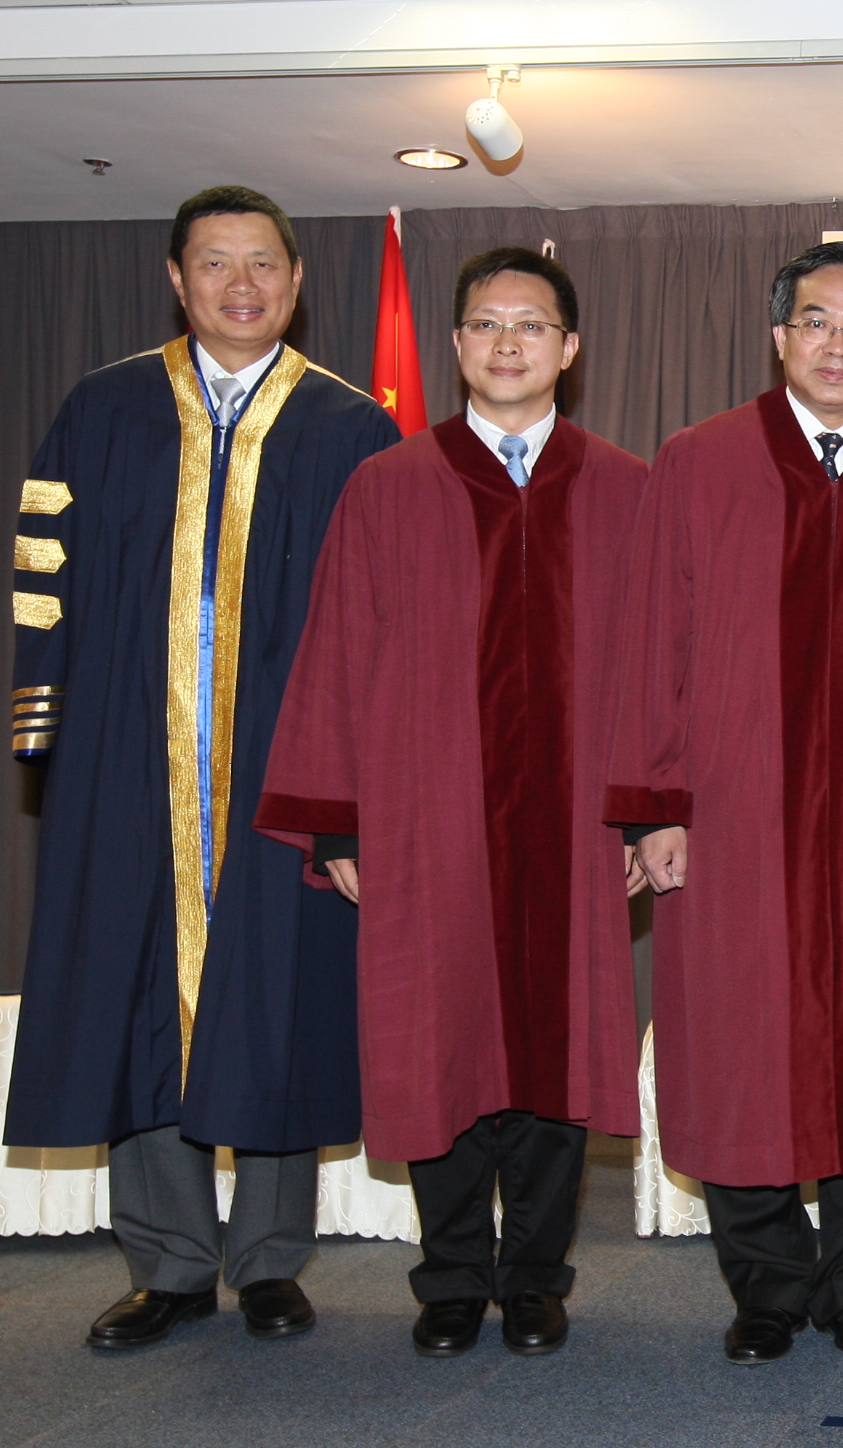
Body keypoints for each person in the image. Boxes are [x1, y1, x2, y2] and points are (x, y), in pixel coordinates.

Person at [5, 185, 399, 1350]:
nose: (241, 285)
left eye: (262, 265)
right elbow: (44, 569)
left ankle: (270, 1258)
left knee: (276, 997)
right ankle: (167, 1260)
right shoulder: (106, 407)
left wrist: (360, 786)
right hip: (126, 761)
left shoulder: (349, 429)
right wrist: (50, 728)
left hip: (287, 772)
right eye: (215, 264)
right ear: (177, 278)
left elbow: (383, 623)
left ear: (296, 280)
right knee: (133, 992)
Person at [257, 246, 647, 1358]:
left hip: (575, 822)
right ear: (458, 344)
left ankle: (533, 1276)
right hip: (428, 820)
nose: (509, 342)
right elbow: (335, 652)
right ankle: (449, 1277)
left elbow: (662, 666)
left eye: (533, 324)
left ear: (570, 349)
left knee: (553, 1051)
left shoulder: (623, 489)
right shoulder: (390, 485)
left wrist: (644, 807)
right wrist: (337, 820)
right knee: (444, 1042)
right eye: (486, 323)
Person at [609, 241, 843, 1365]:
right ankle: (764, 1286)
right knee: (738, 1039)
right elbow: (651, 640)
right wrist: (655, 805)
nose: (835, 343)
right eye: (814, 320)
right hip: (733, 808)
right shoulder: (699, 460)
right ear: (777, 336)